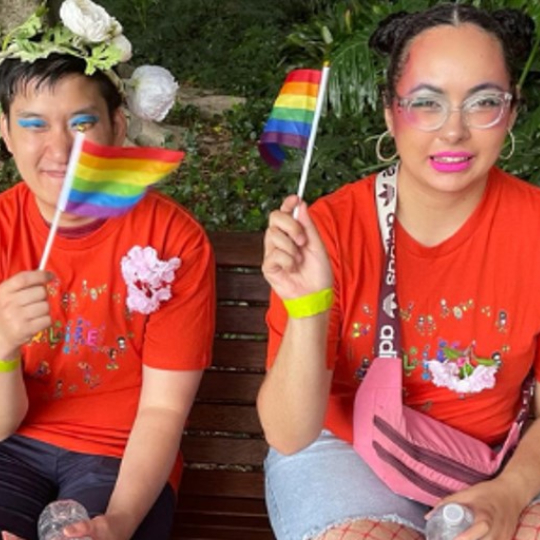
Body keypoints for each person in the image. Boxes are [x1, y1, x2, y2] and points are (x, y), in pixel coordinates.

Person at [258, 4, 540, 540]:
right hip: (345, 454)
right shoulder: (331, 229)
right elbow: (290, 433)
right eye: (427, 104)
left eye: (483, 102)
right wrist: (308, 305)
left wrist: (510, 491)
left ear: (511, 111)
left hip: (501, 462)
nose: (453, 131)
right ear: (391, 112)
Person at [0, 1, 215, 539]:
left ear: (118, 125)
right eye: (33, 125)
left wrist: (116, 524)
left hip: (119, 456)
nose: (60, 149)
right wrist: (2, 346)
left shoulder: (172, 240)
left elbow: (164, 409)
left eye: (81, 123)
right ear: (5, 134)